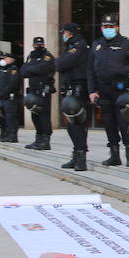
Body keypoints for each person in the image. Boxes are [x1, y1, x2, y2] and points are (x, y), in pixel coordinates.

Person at [88, 13, 129, 167]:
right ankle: (114, 155)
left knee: (123, 122)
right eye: (105, 27)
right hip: (103, 90)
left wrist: (122, 71)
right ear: (101, 27)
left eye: (111, 26)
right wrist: (92, 90)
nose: (108, 29)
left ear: (117, 27)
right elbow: (90, 70)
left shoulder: (125, 43)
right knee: (109, 123)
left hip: (120, 90)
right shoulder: (96, 44)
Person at [56, 23, 91, 171]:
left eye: (65, 32)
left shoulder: (79, 46)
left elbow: (61, 63)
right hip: (71, 89)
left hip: (79, 90)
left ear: (70, 33)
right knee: (72, 125)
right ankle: (76, 155)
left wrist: (58, 63)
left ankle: (81, 158)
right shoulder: (72, 46)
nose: (63, 35)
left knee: (77, 124)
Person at [20, 36, 55, 151]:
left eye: (40, 45)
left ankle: (45, 140)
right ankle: (38, 138)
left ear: (44, 45)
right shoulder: (31, 56)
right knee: (35, 115)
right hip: (33, 89)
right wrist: (33, 69)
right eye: (36, 45)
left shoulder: (48, 56)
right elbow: (23, 71)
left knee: (44, 115)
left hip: (43, 89)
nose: (38, 46)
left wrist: (31, 69)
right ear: (33, 45)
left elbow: (43, 69)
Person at [0, 51, 21, 144]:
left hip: (10, 97)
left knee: (11, 116)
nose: (3, 60)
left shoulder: (13, 70)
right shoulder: (3, 69)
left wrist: (3, 93)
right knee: (2, 115)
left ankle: (12, 136)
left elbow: (12, 84)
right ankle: (5, 134)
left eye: (6, 58)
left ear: (11, 60)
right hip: (2, 97)